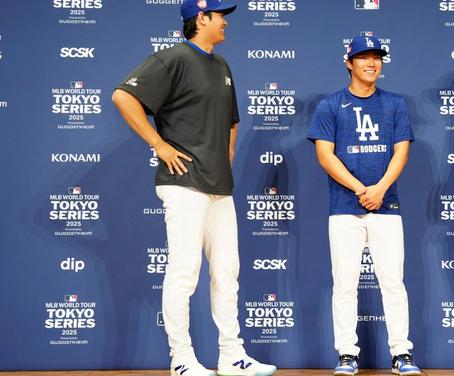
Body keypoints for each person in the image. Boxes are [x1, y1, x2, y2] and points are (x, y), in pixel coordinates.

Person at [111, 1, 276, 375]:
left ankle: (231, 356)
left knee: (226, 270)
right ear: (201, 19)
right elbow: (123, 96)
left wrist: (226, 153)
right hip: (183, 182)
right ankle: (182, 359)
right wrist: (160, 145)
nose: (226, 24)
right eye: (221, 17)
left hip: (219, 184)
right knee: (185, 270)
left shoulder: (221, 65)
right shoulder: (174, 58)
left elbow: (232, 120)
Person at [307, 35, 421, 376]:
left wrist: (380, 189)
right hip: (345, 207)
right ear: (349, 62)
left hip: (387, 206)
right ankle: (347, 354)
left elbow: (401, 152)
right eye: (363, 57)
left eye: (376, 58)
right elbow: (325, 156)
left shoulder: (396, 104)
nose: (372, 63)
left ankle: (401, 353)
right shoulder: (330, 106)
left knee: (393, 282)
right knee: (344, 283)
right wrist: (362, 190)